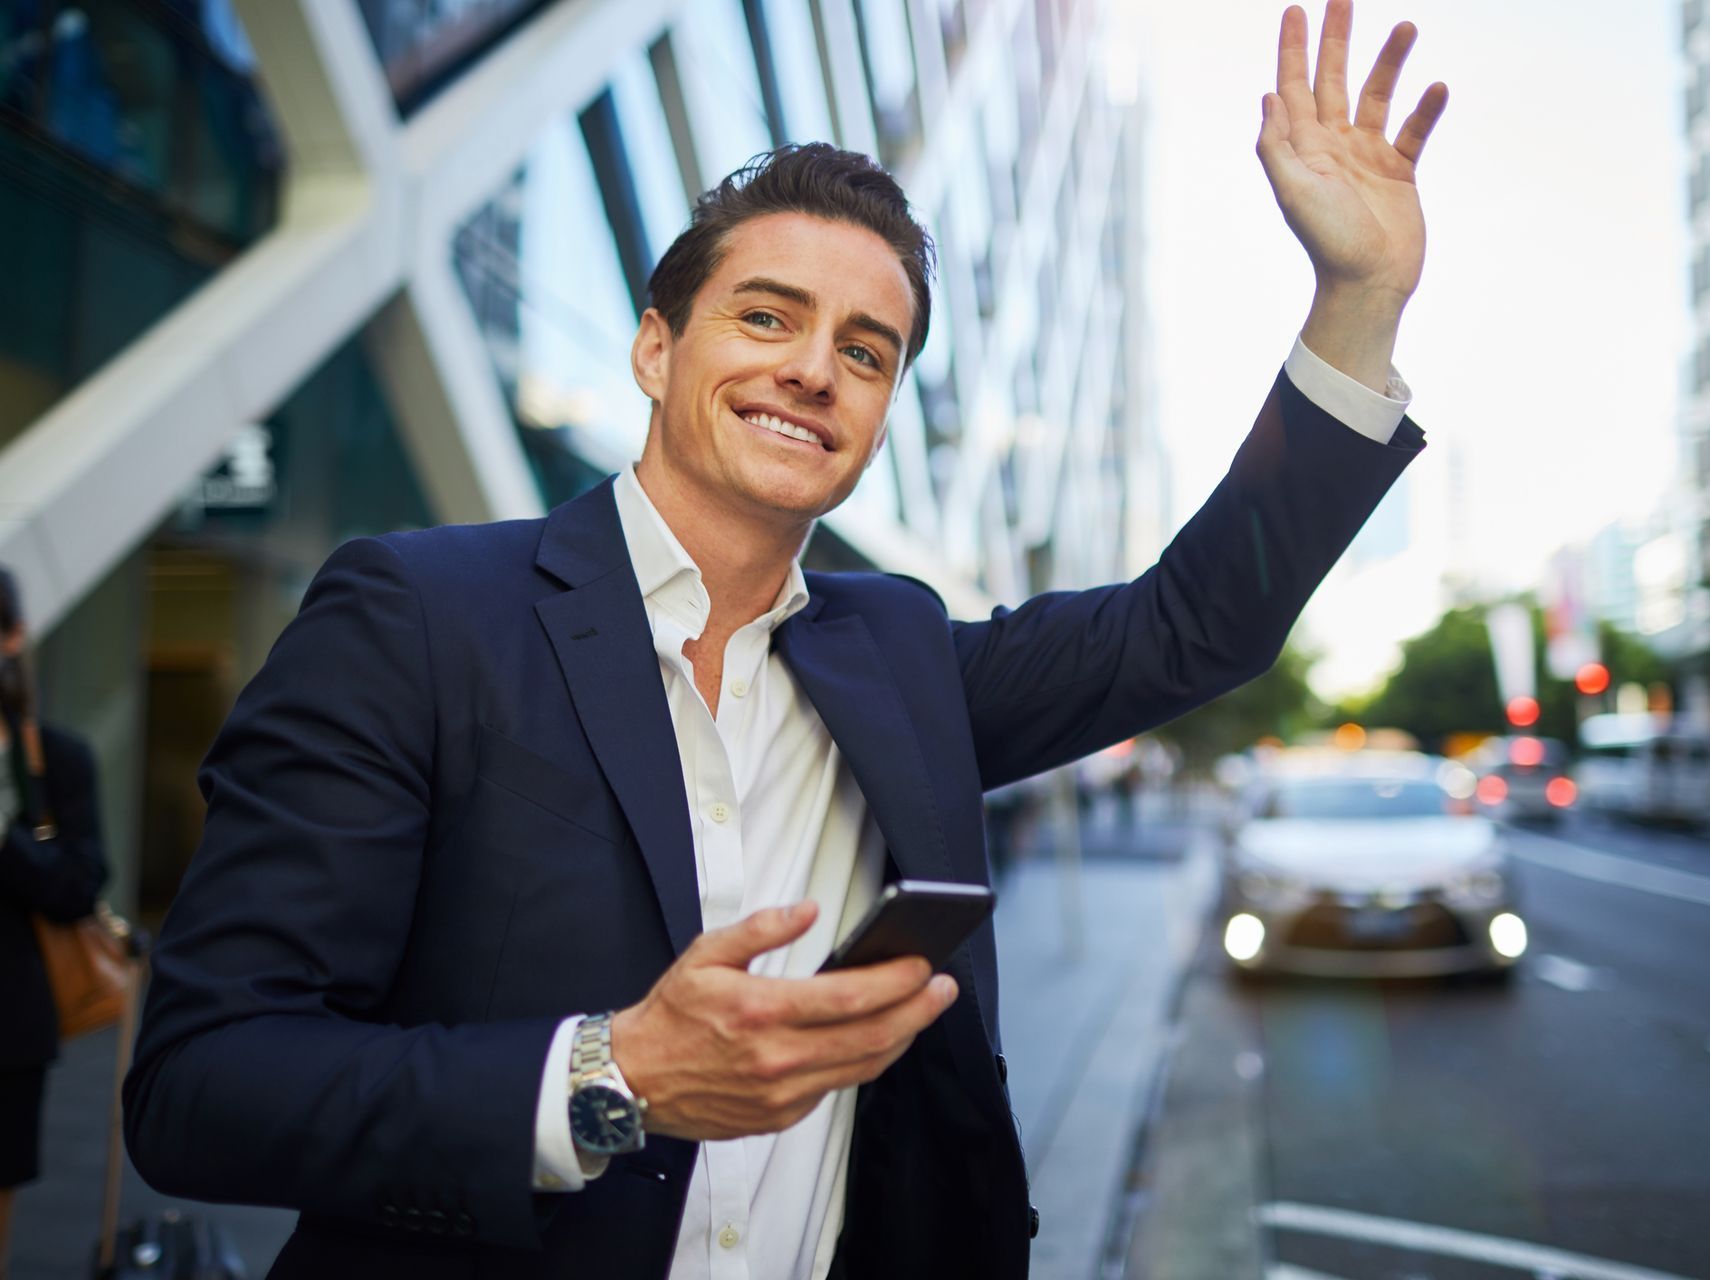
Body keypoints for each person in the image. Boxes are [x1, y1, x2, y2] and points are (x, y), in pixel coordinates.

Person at [123, 4, 1446, 1275]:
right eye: (766, 317)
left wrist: (1360, 299)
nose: (815, 369)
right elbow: (202, 1084)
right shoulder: (415, 617)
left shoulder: (904, 655)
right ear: (655, 346)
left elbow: (1190, 626)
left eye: (867, 353)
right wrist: (614, 1075)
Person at [0, 567, 108, 1280]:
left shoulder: (52, 760)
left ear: (13, 638)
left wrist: (5, 838)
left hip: (5, 1029)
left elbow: (81, 885)